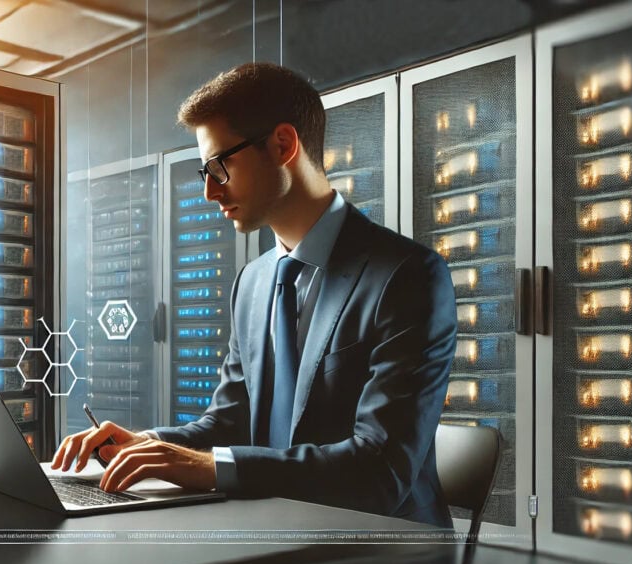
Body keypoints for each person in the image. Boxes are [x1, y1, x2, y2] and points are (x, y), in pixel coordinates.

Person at [52, 62, 457, 527]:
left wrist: (208, 468)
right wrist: (146, 443)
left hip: (386, 551)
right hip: (276, 529)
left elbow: (379, 473)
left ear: (283, 145)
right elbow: (229, 423)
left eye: (219, 166)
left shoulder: (406, 276)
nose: (208, 190)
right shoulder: (253, 282)